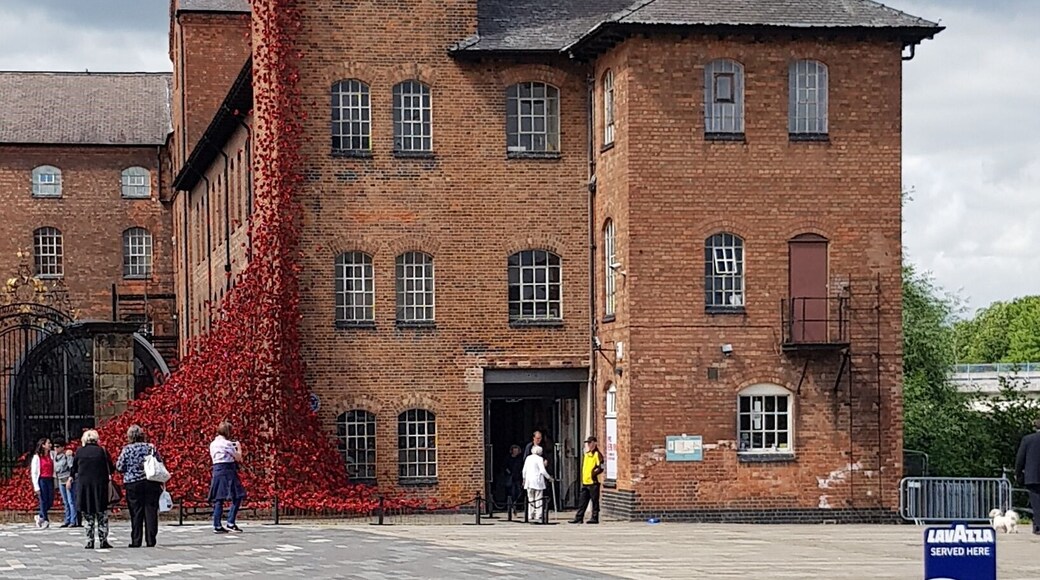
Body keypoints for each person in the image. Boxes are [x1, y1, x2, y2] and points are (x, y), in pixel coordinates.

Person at [116, 425, 164, 547]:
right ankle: (151, 539)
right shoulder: (150, 447)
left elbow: (120, 466)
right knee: (151, 510)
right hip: (151, 481)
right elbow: (159, 462)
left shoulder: (127, 449)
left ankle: (136, 540)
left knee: (136, 512)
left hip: (133, 483)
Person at [68, 430, 114, 549]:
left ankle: (90, 540)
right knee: (102, 514)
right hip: (99, 486)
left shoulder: (79, 451)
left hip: (84, 487)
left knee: (88, 515)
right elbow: (111, 467)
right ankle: (103, 540)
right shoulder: (101, 451)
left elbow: (74, 468)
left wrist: (71, 478)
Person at [209, 421, 246, 534]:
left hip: (217, 469)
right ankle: (230, 522)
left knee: (219, 499)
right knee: (238, 495)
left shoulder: (213, 443)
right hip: (228, 470)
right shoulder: (227, 444)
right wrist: (238, 448)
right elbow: (238, 458)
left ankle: (217, 524)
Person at [570, 436, 604, 524]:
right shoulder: (587, 454)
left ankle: (595, 517)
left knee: (594, 501)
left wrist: (594, 474)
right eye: (588, 443)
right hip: (585, 482)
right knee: (582, 501)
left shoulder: (597, 454)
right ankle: (579, 517)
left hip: (593, 482)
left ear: (595, 443)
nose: (589, 445)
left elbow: (601, 467)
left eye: (590, 443)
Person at [1015, 417, 1040, 535]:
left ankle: (1038, 526)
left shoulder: (1027, 440)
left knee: (1036, 502)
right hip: (1033, 475)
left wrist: (1018, 473)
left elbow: (1020, 458)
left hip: (1033, 475)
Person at [522, 445, 553, 523]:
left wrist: (524, 479)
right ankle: (538, 514)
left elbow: (524, 470)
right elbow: (542, 470)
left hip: (529, 481)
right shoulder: (539, 459)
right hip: (537, 481)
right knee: (538, 498)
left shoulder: (528, 458)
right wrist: (549, 477)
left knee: (530, 498)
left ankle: (530, 514)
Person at [29, 438, 54, 529]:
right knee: (43, 499)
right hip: (42, 479)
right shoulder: (37, 457)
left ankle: (40, 515)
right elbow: (34, 472)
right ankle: (45, 519)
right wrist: (36, 486)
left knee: (50, 500)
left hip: (50, 479)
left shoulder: (51, 455)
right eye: (48, 443)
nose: (50, 445)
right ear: (43, 445)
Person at [52, 437, 77, 528]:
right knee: (65, 501)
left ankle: (73, 520)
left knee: (71, 500)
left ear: (62, 447)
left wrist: (70, 479)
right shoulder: (55, 456)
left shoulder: (67, 455)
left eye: (58, 446)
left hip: (67, 479)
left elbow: (72, 468)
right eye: (54, 447)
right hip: (60, 479)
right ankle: (67, 519)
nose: (55, 448)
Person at [503, 444, 524, 509]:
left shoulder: (520, 459)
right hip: (510, 477)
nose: (515, 452)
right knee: (511, 492)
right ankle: (510, 505)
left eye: (517, 451)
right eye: (514, 451)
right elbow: (504, 466)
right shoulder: (508, 458)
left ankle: (516, 504)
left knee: (518, 492)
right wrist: (508, 472)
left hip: (518, 477)